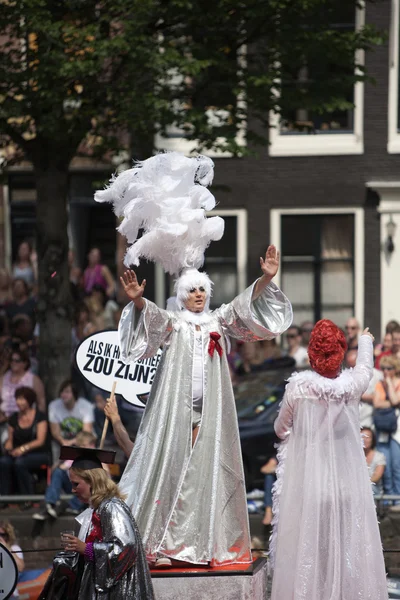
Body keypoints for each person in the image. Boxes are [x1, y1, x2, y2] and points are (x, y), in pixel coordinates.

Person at [118, 245, 292, 567]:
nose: (198, 294)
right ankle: (158, 543)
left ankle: (197, 543)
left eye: (202, 289)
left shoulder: (216, 321)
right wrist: (138, 300)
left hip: (209, 412)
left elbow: (243, 306)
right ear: (182, 295)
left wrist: (265, 279)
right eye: (192, 290)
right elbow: (153, 320)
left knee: (203, 473)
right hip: (178, 412)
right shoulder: (175, 323)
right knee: (172, 470)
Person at [270, 320, 387, 599]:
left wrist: (301, 434)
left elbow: (280, 429)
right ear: (340, 351)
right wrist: (367, 341)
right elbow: (364, 370)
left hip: (312, 483)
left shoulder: (298, 389)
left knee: (312, 548)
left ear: (312, 353)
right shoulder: (351, 386)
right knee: (345, 547)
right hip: (346, 485)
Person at [39, 447, 154, 600]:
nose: (72, 490)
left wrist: (86, 548)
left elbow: (126, 547)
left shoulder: (112, 506)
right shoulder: (96, 509)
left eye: (76, 484)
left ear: (92, 481)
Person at [0, 386, 49, 509]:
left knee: (20, 463)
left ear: (29, 400)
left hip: (38, 453)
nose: (19, 402)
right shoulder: (13, 418)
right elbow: (10, 441)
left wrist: (22, 449)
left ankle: (28, 498)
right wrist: (8, 446)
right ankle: (4, 498)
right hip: (17, 453)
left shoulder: (40, 416)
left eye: (22, 399)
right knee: (4, 462)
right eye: (17, 399)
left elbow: (40, 441)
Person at [33, 431, 98, 521]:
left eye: (85, 445)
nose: (83, 448)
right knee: (58, 472)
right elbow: (63, 467)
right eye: (81, 445)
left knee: (89, 483)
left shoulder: (97, 457)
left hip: (88, 491)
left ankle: (67, 506)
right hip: (73, 487)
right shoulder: (76, 456)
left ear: (92, 445)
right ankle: (50, 503)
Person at [372, 354, 400, 497]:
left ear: (395, 369)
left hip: (396, 433)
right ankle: (389, 498)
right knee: (386, 465)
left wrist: (389, 383)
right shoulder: (379, 383)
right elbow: (377, 403)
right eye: (383, 368)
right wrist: (392, 403)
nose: (386, 371)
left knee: (397, 465)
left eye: (389, 368)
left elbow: (396, 399)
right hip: (382, 429)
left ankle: (397, 498)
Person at [48, 379, 94, 461]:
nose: (63, 395)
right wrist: (63, 441)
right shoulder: (54, 405)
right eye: (62, 392)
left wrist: (73, 442)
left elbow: (87, 431)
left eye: (67, 392)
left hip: (81, 440)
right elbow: (55, 431)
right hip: (61, 441)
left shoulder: (86, 406)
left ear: (74, 393)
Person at [0, 346, 45, 417]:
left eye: (17, 360)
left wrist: (38, 420)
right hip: (4, 418)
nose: (13, 362)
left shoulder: (34, 379)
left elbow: (41, 402)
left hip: (26, 419)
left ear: (25, 363)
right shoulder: (3, 378)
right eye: (11, 360)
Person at [0, 519, 25, 598]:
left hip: (9, 593)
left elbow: (20, 567)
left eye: (2, 535)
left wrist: (7, 548)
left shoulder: (14, 548)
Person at [361, 427, 386, 495]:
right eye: (362, 437)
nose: (365, 440)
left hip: (373, 489)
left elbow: (377, 477)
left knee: (368, 488)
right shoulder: (354, 456)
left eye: (367, 437)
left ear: (372, 440)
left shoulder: (379, 456)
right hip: (357, 487)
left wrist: (362, 484)